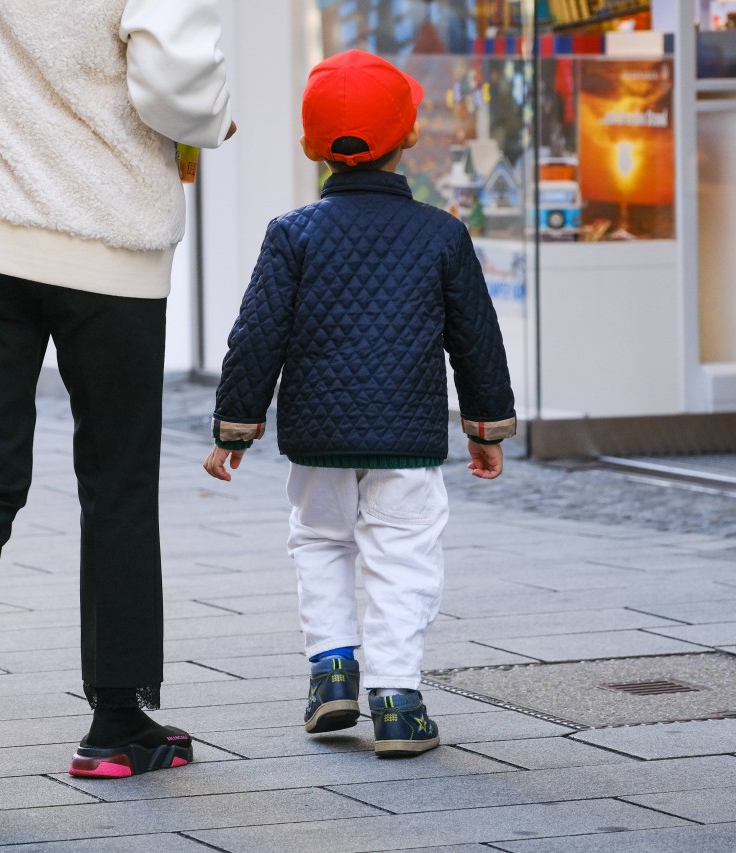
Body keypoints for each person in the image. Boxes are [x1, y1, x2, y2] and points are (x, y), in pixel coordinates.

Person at [0, 1, 235, 804]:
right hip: (103, 229)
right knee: (116, 481)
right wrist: (215, 119)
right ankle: (116, 726)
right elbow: (174, 84)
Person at [203, 49, 514, 758]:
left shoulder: (293, 233)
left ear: (314, 146)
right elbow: (476, 339)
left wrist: (235, 429)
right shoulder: (442, 233)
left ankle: (332, 673)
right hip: (405, 436)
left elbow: (256, 337)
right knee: (403, 557)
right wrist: (485, 425)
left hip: (318, 435)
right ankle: (399, 702)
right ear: (407, 137)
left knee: (319, 543)